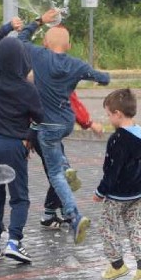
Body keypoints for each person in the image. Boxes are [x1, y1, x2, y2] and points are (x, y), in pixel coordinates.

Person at [18, 8, 110, 245]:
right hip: (65, 123)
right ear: (68, 46)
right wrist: (99, 75)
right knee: (42, 137)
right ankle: (66, 166)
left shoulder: (38, 56)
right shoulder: (76, 64)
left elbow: (21, 39)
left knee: (55, 174)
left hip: (47, 126)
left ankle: (73, 215)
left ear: (46, 43)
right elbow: (103, 78)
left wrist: (40, 21)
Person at [0, 17, 44, 264]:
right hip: (12, 146)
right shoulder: (27, 89)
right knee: (19, 197)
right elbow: (39, 118)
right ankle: (14, 242)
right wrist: (29, 138)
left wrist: (7, 27)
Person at [93, 88, 141, 280]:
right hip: (138, 192)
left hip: (117, 194)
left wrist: (100, 191)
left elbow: (112, 169)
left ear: (118, 114)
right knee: (136, 227)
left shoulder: (118, 139)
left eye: (109, 114)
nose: (108, 118)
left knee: (106, 226)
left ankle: (117, 265)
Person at [36, 91, 104, 229]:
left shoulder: (40, 74)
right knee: (61, 175)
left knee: (62, 173)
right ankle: (57, 215)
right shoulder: (59, 76)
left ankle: (62, 213)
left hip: (40, 130)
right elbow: (72, 102)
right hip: (46, 132)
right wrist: (89, 123)